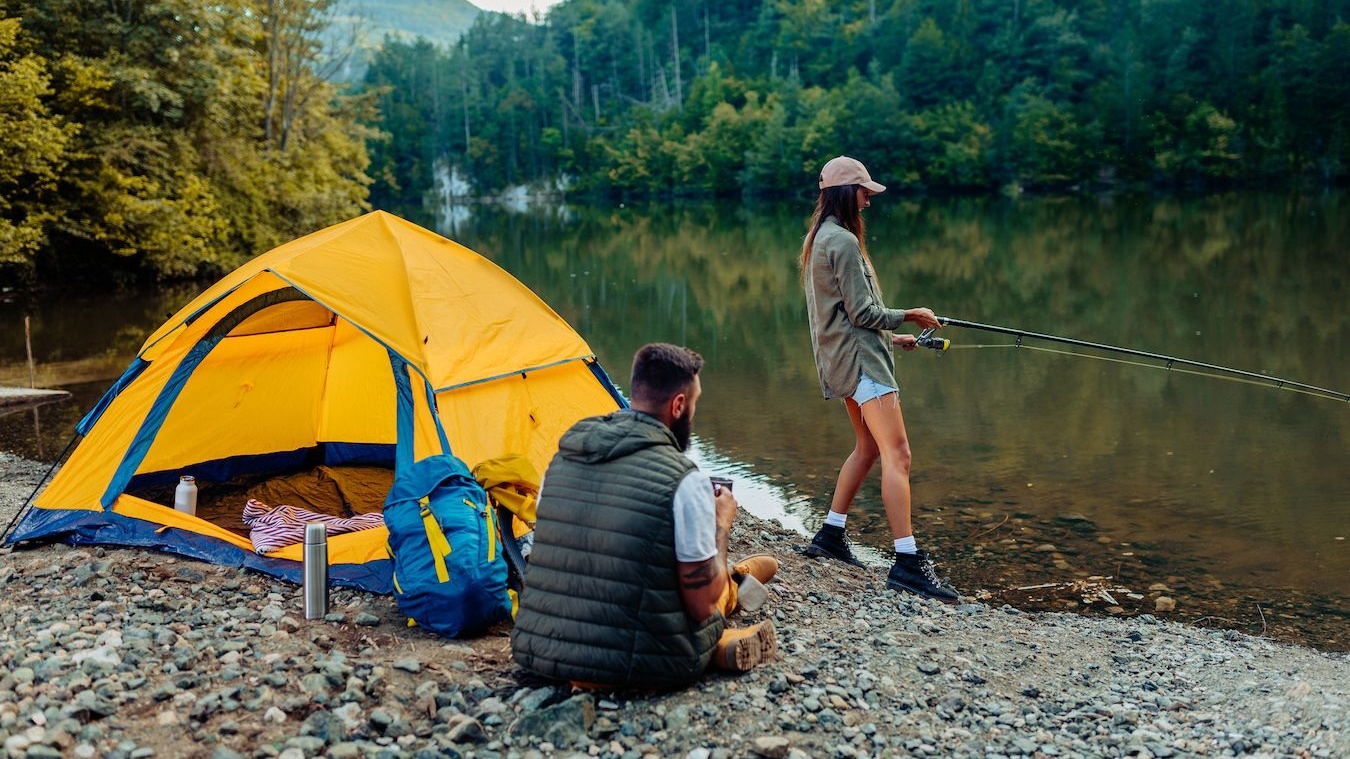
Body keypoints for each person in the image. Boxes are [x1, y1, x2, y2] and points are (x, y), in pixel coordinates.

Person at [511, 343, 779, 690]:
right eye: (693, 405)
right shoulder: (685, 479)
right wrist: (721, 525)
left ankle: (736, 581)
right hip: (637, 663)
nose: (692, 416)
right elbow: (701, 605)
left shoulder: (561, 458)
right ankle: (731, 595)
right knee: (708, 599)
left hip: (540, 650)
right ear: (678, 405)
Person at [800, 155, 960, 604]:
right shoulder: (844, 243)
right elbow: (862, 313)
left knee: (869, 448)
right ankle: (908, 563)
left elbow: (843, 317)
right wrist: (912, 313)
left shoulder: (821, 238)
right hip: (863, 366)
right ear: (846, 193)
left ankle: (830, 535)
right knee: (899, 454)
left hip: (845, 361)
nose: (869, 199)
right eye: (865, 191)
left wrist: (894, 336)